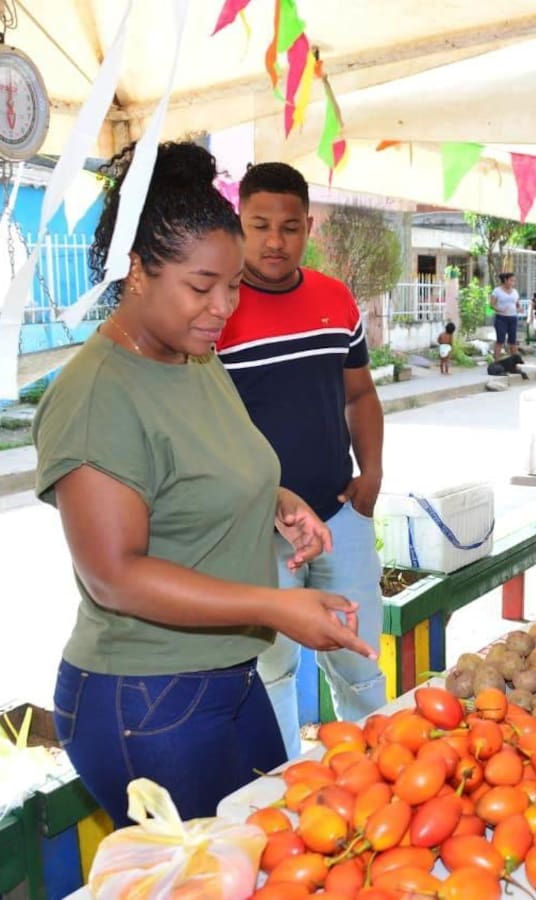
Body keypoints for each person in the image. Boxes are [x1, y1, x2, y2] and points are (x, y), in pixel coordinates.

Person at [33, 141, 373, 826]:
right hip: (146, 697)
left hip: (228, 673)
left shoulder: (191, 355)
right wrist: (276, 607)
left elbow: (207, 463)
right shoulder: (98, 395)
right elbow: (115, 577)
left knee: (268, 851)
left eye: (233, 285)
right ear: (137, 272)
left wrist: (277, 501)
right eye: (201, 286)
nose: (222, 307)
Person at [216, 162, 386, 759]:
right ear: (239, 221)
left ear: (308, 226)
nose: (274, 241)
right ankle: (283, 791)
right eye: (259, 225)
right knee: (270, 669)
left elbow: (360, 394)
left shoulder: (334, 299)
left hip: (340, 516)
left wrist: (372, 474)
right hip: (258, 527)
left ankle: (378, 771)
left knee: (360, 658)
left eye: (289, 227)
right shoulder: (218, 306)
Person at [491, 272, 521, 360]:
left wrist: (519, 308)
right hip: (501, 318)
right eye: (511, 280)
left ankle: (514, 362)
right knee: (500, 340)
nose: (513, 282)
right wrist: (499, 309)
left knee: (513, 341)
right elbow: (491, 305)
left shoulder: (515, 291)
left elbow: (517, 304)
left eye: (514, 281)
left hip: (513, 318)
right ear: (505, 280)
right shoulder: (497, 291)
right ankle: (496, 361)